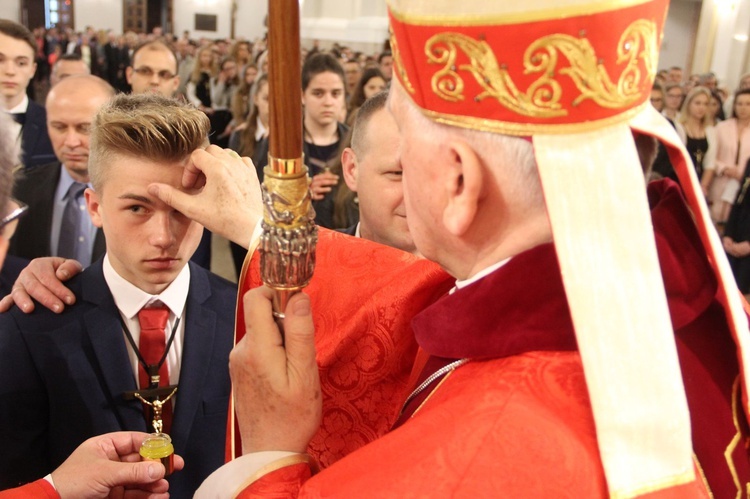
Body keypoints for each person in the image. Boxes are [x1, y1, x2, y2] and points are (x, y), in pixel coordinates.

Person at [195, 0, 748, 496]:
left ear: (459, 183)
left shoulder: (471, 461)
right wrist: (263, 232)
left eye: (405, 148)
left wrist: (268, 450)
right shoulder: (700, 304)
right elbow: (424, 297)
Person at [0, 93, 239, 498]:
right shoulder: (30, 327)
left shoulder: (243, 313)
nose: (164, 237)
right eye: (137, 209)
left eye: (181, 209)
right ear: (94, 207)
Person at [9, 75, 113, 266]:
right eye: (59, 127)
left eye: (85, 128)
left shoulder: (138, 195)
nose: (71, 142)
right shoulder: (20, 191)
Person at [255, 52, 349, 229]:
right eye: (318, 93)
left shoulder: (355, 142)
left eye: (336, 93)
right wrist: (298, 196)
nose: (328, 102)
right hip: (294, 240)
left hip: (345, 242)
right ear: (303, 95)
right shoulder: (278, 143)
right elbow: (259, 199)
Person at [339, 90, 415, 254]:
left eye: (430, 175)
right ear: (352, 170)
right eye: (397, 174)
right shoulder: (311, 267)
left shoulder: (474, 275)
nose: (418, 195)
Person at [0, 20, 55, 170]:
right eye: (0, 60)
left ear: (32, 69)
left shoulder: (52, 124)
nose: (10, 71)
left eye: (21, 63)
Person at [708, 88, 750, 224]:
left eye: (748, 104)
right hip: (720, 180)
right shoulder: (722, 127)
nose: (743, 108)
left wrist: (743, 173)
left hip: (744, 184)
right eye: (740, 104)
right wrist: (724, 168)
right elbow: (711, 156)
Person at [674, 86, 716, 193]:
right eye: (697, 103)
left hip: (699, 181)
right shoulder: (679, 127)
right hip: (678, 178)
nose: (701, 108)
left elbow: (710, 162)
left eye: (705, 104)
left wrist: (703, 186)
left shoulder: (710, 131)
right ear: (688, 104)